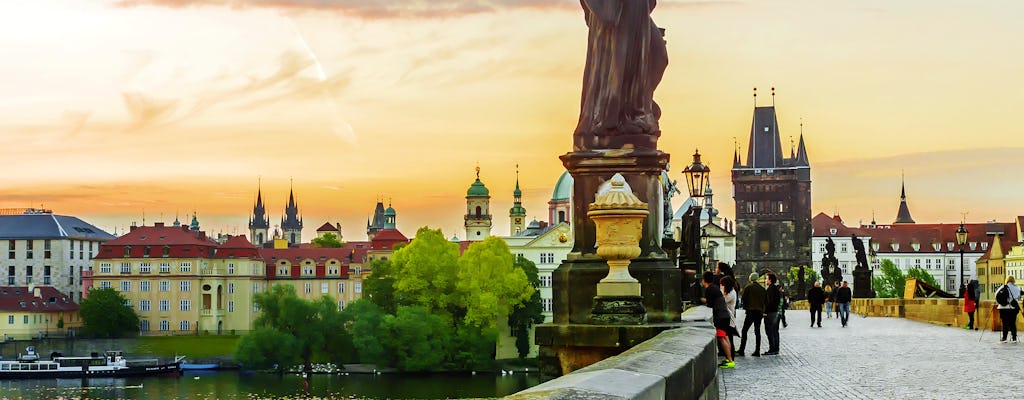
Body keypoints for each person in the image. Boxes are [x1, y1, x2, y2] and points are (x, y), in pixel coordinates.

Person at [701, 271, 735, 368]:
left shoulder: (709, 289)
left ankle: (730, 360)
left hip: (720, 317)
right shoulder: (715, 288)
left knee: (721, 338)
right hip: (725, 316)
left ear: (704, 280)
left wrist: (701, 300)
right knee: (726, 337)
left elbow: (710, 304)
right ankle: (729, 359)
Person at [737, 272, 765, 357]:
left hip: (750, 312)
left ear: (750, 279)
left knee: (744, 330)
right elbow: (765, 301)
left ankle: (742, 350)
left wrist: (746, 306)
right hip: (759, 312)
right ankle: (757, 350)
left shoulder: (748, 287)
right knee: (757, 331)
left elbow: (743, 299)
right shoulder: (762, 289)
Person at [995, 276, 1021, 343]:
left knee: (1005, 323)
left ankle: (1004, 338)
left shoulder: (1003, 287)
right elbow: (1018, 297)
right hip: (1013, 308)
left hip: (1003, 308)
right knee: (1013, 323)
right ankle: (1014, 338)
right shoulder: (1016, 288)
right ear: (1013, 280)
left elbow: (996, 295)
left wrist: (1001, 302)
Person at [763, 272, 782, 355]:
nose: (765, 280)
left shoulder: (771, 289)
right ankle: (775, 349)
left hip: (770, 313)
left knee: (770, 331)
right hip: (775, 312)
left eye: (766, 278)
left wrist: (764, 311)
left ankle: (772, 349)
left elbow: (769, 302)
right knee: (775, 331)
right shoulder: (775, 289)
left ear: (770, 280)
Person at [721, 275, 739, 361]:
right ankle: (729, 357)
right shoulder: (730, 292)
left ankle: (731, 358)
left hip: (729, 319)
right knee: (728, 337)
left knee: (729, 339)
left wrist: (720, 290)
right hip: (728, 318)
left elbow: (722, 300)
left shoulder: (732, 293)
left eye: (722, 284)